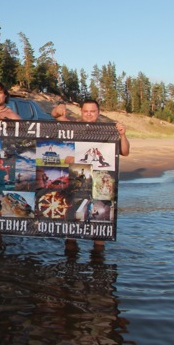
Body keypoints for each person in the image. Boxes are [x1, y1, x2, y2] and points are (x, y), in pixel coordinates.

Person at [53, 98, 130, 255]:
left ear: (98, 112)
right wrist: (59, 108)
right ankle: (71, 258)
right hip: (78, 180)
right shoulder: (73, 127)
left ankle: (98, 259)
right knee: (72, 222)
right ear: (81, 112)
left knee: (100, 224)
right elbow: (56, 116)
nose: (89, 114)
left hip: (100, 181)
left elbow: (125, 151)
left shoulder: (108, 129)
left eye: (92, 111)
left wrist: (122, 135)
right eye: (86, 111)